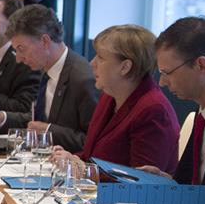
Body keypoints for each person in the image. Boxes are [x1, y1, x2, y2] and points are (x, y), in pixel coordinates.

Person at [53, 25, 180, 174]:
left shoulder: (154, 110)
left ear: (125, 67)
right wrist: (71, 159)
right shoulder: (109, 96)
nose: (91, 63)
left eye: (100, 57)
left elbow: (140, 182)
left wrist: (84, 170)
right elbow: (92, 157)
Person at [1, 4, 99, 151]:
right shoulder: (45, 69)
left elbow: (92, 142)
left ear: (45, 41)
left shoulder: (83, 79)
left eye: (21, 49)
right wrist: (3, 117)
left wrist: (48, 130)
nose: (18, 59)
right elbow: (39, 119)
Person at [150, 17, 205, 201]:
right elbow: (201, 186)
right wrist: (166, 183)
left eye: (167, 73)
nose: (162, 82)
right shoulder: (203, 115)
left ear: (201, 65)